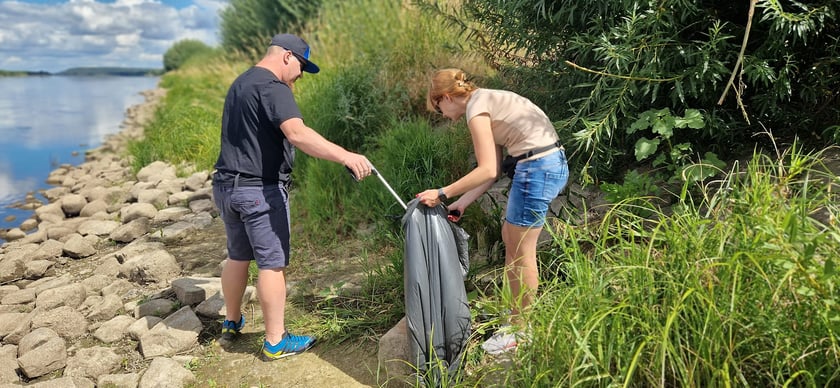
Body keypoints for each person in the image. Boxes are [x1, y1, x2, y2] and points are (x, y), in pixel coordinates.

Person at [212, 33, 373, 360]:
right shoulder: (274, 87)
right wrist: (346, 155)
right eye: (301, 65)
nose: (300, 74)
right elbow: (297, 133)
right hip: (259, 191)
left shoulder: (241, 83)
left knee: (237, 256)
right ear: (287, 56)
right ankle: (275, 342)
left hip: (226, 187)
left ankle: (231, 322)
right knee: (272, 264)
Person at [416, 68, 568, 355]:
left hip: (536, 168)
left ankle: (521, 331)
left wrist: (442, 192)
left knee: (521, 252)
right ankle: (517, 319)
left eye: (439, 110)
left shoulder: (476, 109)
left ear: (446, 97)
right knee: (511, 238)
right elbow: (493, 170)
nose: (444, 117)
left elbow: (485, 168)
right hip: (548, 162)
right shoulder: (486, 100)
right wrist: (462, 202)